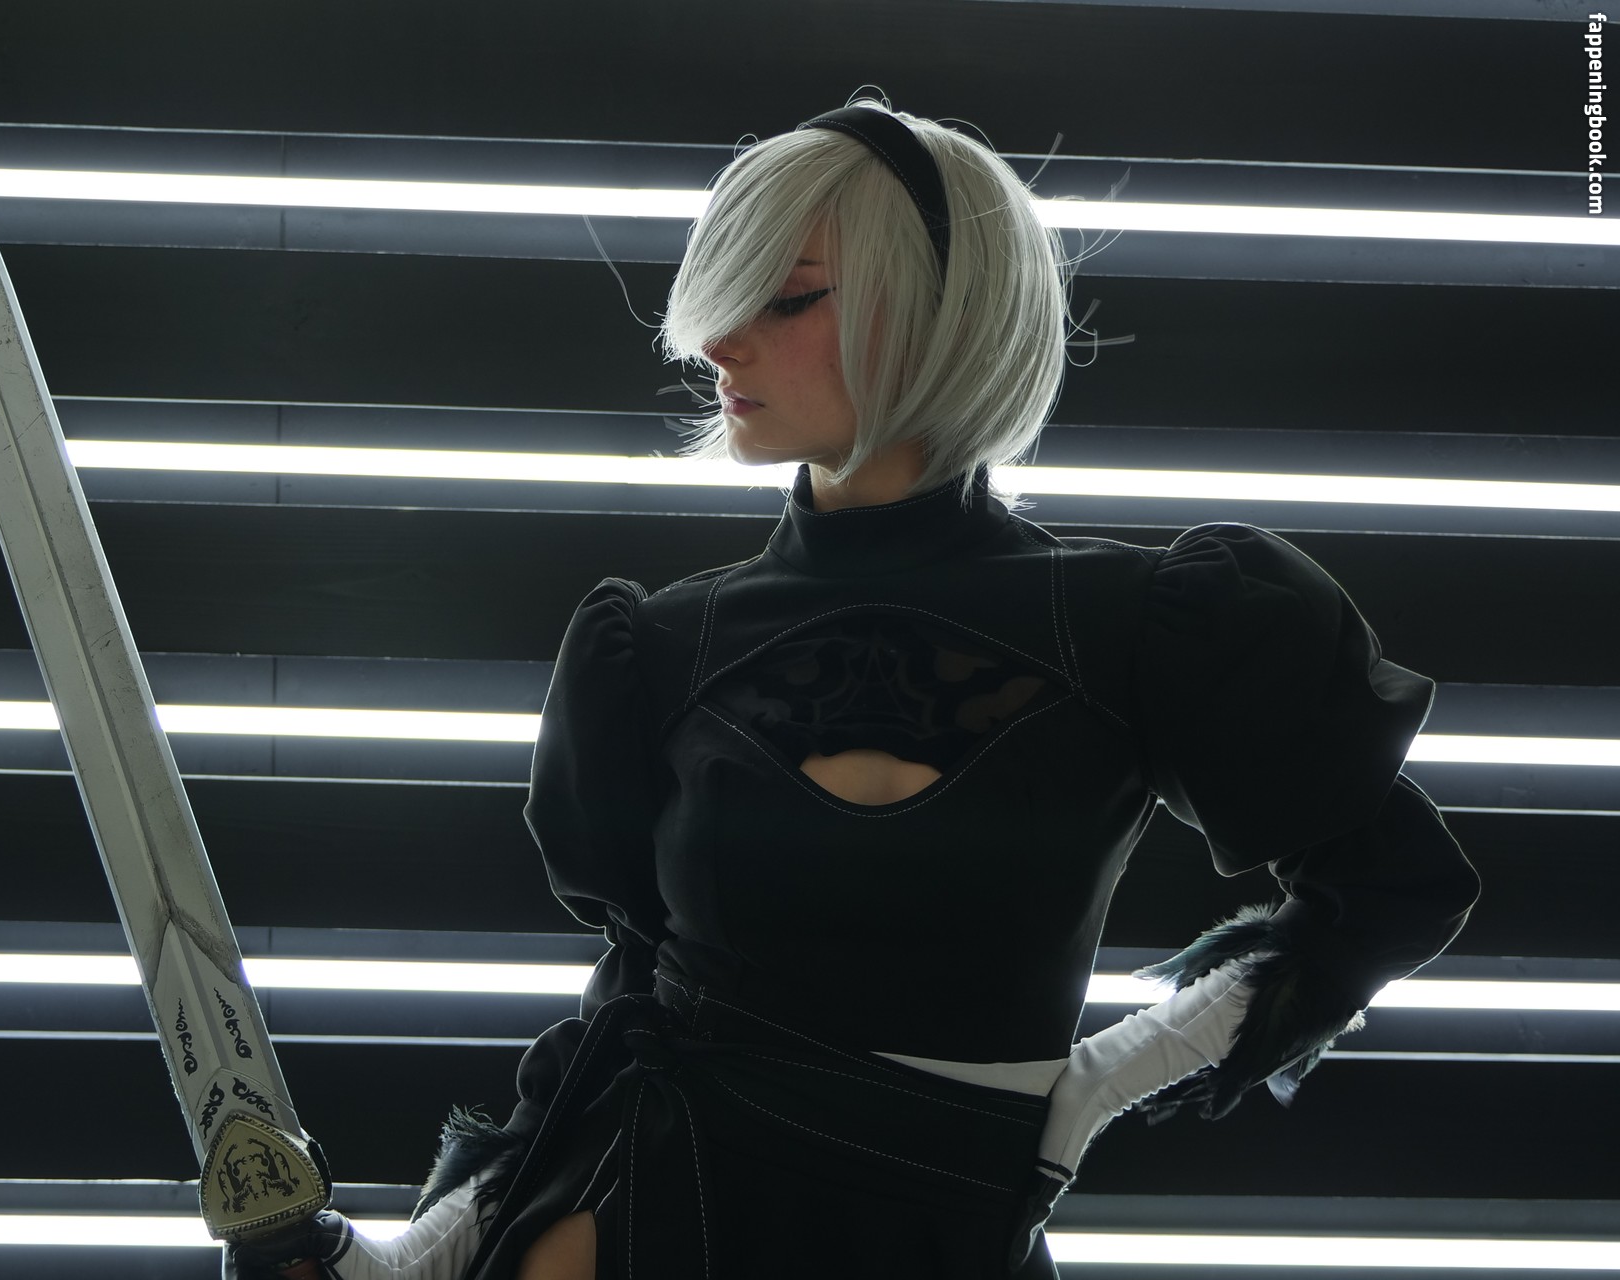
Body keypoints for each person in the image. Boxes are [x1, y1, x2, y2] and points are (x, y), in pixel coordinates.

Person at [227, 99, 1480, 1280]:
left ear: (935, 312)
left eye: (785, 296)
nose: (720, 342)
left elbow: (1388, 886)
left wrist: (1093, 1088)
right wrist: (412, 1258)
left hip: (947, 1221)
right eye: (721, 297)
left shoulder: (1138, 622)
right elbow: (625, 1016)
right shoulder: (659, 644)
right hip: (649, 1213)